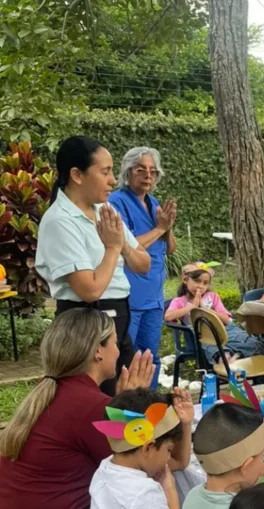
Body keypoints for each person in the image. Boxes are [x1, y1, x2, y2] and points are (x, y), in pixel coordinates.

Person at [0, 309, 156, 509]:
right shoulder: (91, 406)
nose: (119, 350)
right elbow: (144, 466)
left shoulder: (51, 390)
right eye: (115, 341)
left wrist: (121, 407)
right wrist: (135, 406)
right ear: (98, 352)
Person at [36, 136, 151, 395]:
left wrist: (120, 245)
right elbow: (89, 289)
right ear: (77, 175)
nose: (113, 180)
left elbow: (143, 263)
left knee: (128, 398)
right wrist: (113, 247)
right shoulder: (60, 221)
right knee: (97, 404)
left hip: (118, 321)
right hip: (85, 326)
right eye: (105, 172)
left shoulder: (105, 210)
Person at [109, 147, 177, 389]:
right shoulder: (115, 202)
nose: (148, 175)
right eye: (141, 170)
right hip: (131, 296)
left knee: (151, 358)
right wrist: (159, 228)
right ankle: (126, 408)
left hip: (154, 297)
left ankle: (149, 403)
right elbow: (125, 246)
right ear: (127, 173)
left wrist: (167, 227)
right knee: (127, 358)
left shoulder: (154, 202)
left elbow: (169, 248)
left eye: (153, 171)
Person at [165, 262, 264, 364]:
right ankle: (228, 362)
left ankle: (241, 361)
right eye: (197, 281)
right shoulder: (179, 301)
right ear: (185, 280)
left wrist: (205, 308)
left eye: (205, 283)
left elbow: (227, 320)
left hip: (226, 329)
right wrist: (192, 307)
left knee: (254, 344)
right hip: (202, 335)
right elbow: (168, 316)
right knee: (217, 350)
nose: (201, 286)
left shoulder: (212, 297)